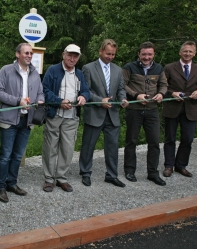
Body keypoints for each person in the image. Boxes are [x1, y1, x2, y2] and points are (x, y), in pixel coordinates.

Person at [0, 43, 45, 203]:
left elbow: (40, 91)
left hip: (27, 120)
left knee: (17, 156)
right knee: (5, 156)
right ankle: (0, 187)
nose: (29, 55)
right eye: (26, 53)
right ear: (17, 54)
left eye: (31, 53)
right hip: (9, 120)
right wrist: (18, 101)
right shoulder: (6, 70)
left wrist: (40, 100)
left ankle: (12, 183)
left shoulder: (35, 73)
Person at [79, 39, 129, 187]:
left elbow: (121, 89)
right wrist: (100, 100)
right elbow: (85, 91)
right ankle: (85, 173)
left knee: (113, 147)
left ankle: (112, 175)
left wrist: (123, 99)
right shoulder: (88, 68)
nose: (110, 57)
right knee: (88, 145)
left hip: (112, 115)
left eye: (113, 54)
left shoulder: (118, 70)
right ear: (100, 51)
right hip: (95, 113)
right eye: (108, 53)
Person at [41, 44, 90, 192]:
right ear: (63, 55)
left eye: (75, 56)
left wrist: (83, 96)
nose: (72, 58)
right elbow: (44, 90)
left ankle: (61, 178)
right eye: (70, 55)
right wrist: (59, 102)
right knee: (50, 148)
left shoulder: (79, 74)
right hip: (55, 115)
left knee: (67, 149)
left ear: (78, 58)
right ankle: (49, 179)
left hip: (72, 117)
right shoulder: (53, 70)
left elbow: (86, 91)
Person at [122, 41, 167, 186]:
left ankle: (153, 173)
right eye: (144, 54)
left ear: (154, 54)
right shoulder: (129, 67)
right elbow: (123, 85)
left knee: (154, 142)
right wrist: (136, 96)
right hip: (134, 110)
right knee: (131, 141)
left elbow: (164, 85)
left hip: (152, 110)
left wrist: (161, 94)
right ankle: (129, 170)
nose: (146, 57)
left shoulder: (159, 68)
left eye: (149, 54)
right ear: (139, 54)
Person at [162, 41, 197, 178]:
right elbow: (162, 86)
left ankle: (181, 165)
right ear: (180, 52)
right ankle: (169, 165)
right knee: (170, 138)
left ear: (194, 53)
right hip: (172, 107)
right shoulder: (169, 68)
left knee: (188, 138)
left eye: (190, 52)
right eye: (185, 51)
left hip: (190, 108)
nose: (187, 54)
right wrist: (172, 93)